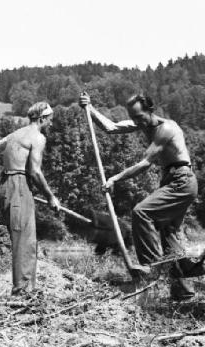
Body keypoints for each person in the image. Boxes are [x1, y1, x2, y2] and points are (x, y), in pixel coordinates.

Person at [79, 92, 198, 300]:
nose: (137, 122)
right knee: (169, 233)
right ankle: (183, 292)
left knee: (141, 212)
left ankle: (153, 268)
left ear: (151, 110)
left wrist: (115, 178)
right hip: (171, 179)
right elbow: (111, 127)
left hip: (182, 180)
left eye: (139, 117)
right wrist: (90, 108)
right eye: (133, 118)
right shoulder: (144, 124)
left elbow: (145, 163)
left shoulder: (165, 129)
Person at [0, 101, 60, 295]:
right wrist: (51, 197)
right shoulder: (38, 138)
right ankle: (22, 292)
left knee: (18, 238)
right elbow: (35, 172)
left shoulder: (14, 135)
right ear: (42, 119)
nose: (51, 124)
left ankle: (23, 289)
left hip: (4, 187)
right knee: (26, 241)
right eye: (49, 120)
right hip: (20, 187)